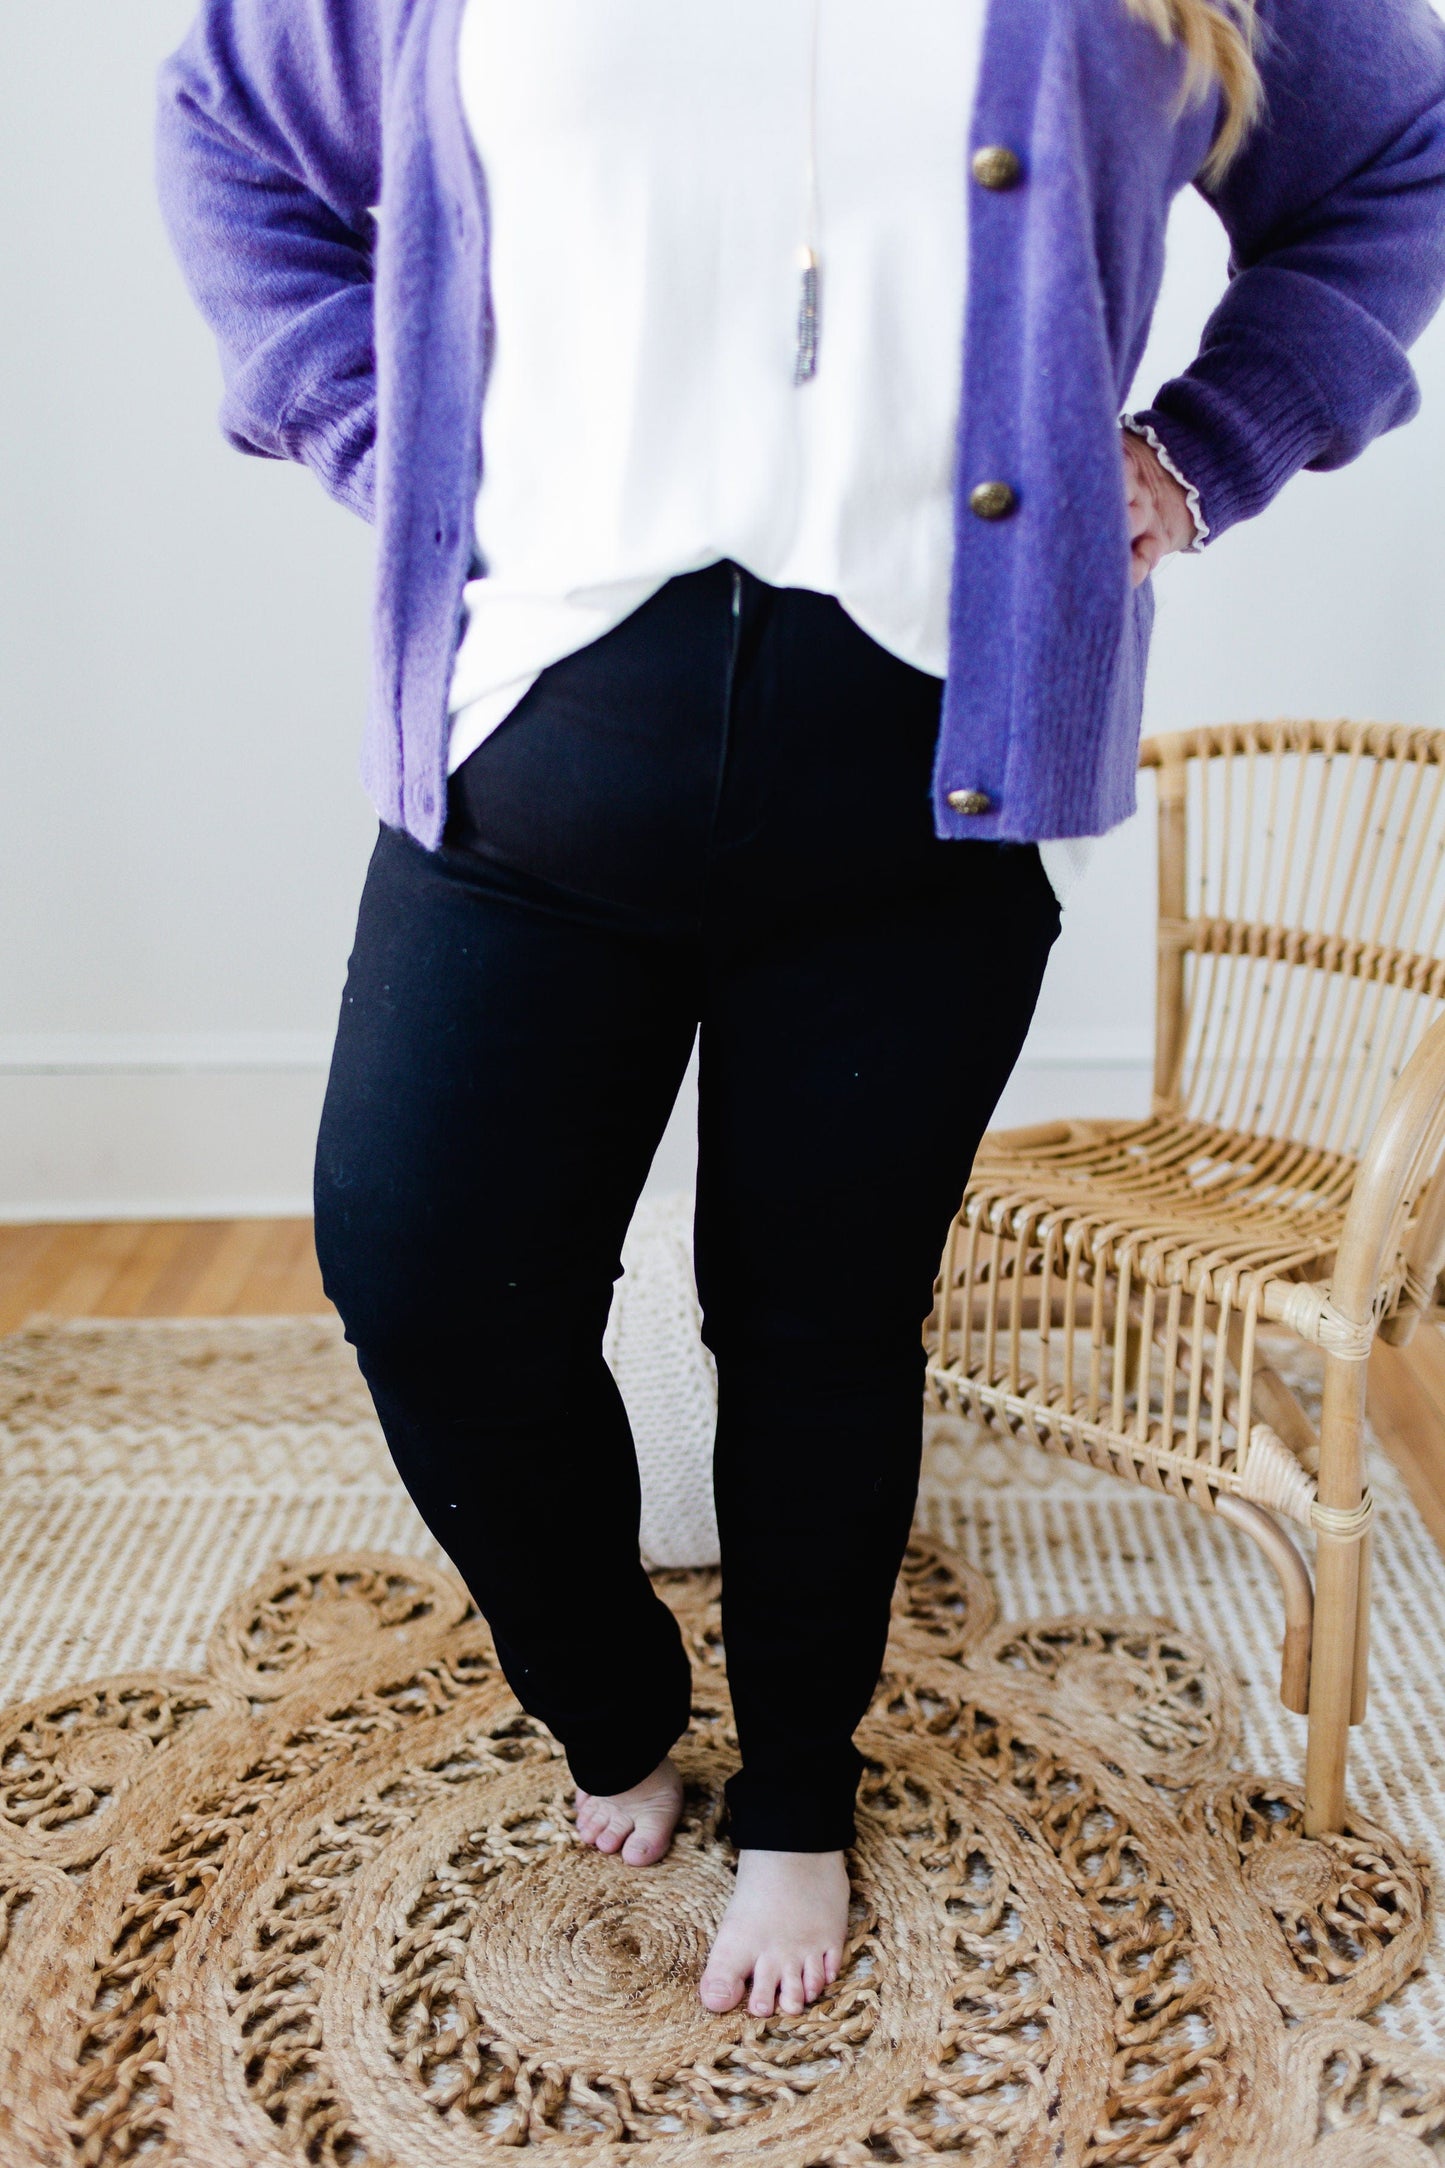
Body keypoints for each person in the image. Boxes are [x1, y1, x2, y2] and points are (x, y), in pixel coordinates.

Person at [155, 0, 1445, 2018]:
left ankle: (799, 1799)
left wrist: (1205, 453)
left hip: (928, 785)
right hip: (526, 748)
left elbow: (1399, 152)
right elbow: (231, 121)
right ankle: (608, 1696)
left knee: (823, 1325)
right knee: (423, 1272)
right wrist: (372, 420)